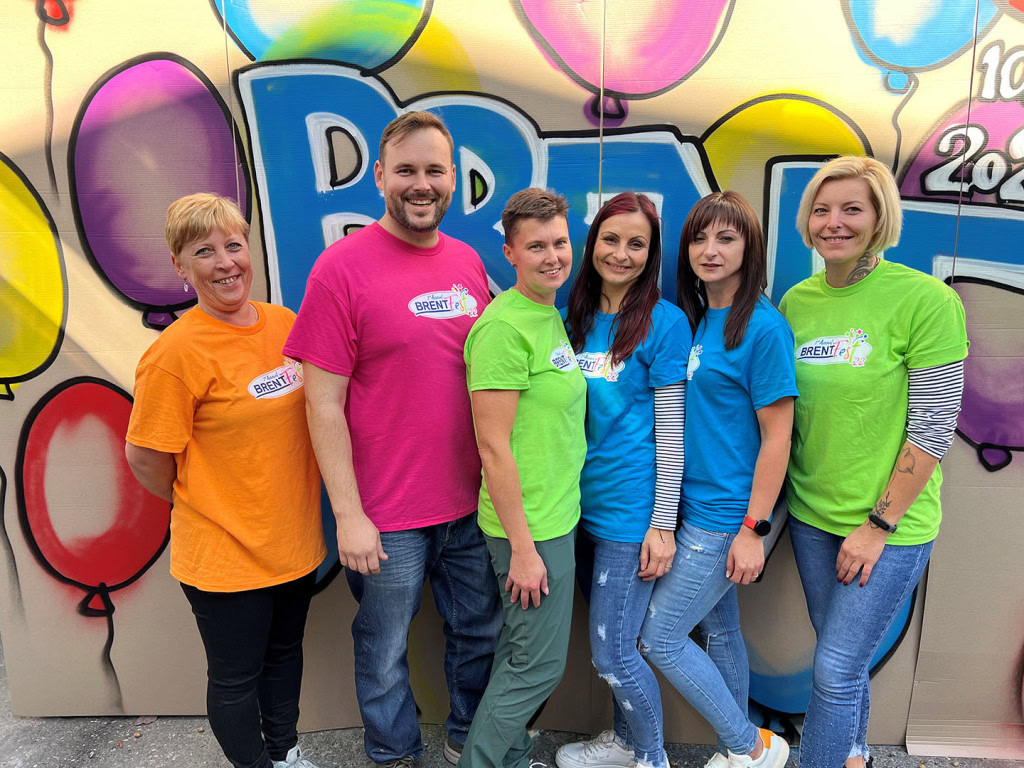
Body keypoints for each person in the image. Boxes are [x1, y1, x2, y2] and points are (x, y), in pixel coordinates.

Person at [283, 111, 502, 768]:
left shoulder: (467, 264)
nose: (421, 184)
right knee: (382, 650)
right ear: (380, 176)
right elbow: (321, 402)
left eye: (435, 171)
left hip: (470, 505)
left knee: (479, 633)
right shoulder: (340, 269)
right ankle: (394, 755)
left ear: (453, 181)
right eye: (406, 170)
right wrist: (348, 516)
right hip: (385, 518)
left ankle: (468, 740)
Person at [124, 193, 326, 768]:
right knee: (237, 676)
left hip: (291, 542)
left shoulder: (285, 326)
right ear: (180, 267)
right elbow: (147, 459)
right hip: (223, 555)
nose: (225, 262)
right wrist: (209, 499)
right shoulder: (175, 354)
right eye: (204, 251)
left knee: (285, 655)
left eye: (233, 245)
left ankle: (284, 754)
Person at [779, 156, 967, 768]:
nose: (834, 222)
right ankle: (854, 753)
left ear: (881, 217)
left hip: (889, 526)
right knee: (845, 658)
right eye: (822, 209)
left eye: (852, 208)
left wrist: (877, 526)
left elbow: (934, 425)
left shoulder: (925, 300)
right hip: (811, 516)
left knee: (833, 669)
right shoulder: (797, 301)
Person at [640, 191, 796, 768]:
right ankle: (741, 753)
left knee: (658, 636)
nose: (710, 250)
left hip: (726, 513)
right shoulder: (697, 318)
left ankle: (749, 746)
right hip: (690, 504)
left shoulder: (763, 328)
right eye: (700, 238)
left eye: (726, 238)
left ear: (748, 247)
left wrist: (754, 527)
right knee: (720, 631)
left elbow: (778, 437)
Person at [554, 193, 690, 768]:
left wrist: (662, 524)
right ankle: (625, 740)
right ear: (592, 244)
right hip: (575, 509)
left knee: (613, 652)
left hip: (631, 515)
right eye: (611, 239)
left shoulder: (665, 322)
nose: (622, 253)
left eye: (637, 243)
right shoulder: (575, 316)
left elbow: (672, 431)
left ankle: (651, 757)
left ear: (651, 252)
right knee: (615, 640)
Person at [459, 188, 586, 768]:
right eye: (536, 246)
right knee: (538, 667)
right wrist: (524, 549)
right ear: (510, 251)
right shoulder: (504, 328)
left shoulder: (545, 315)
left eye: (559, 242)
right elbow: (493, 446)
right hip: (529, 526)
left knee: (518, 655)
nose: (552, 256)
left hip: (554, 515)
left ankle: (507, 756)